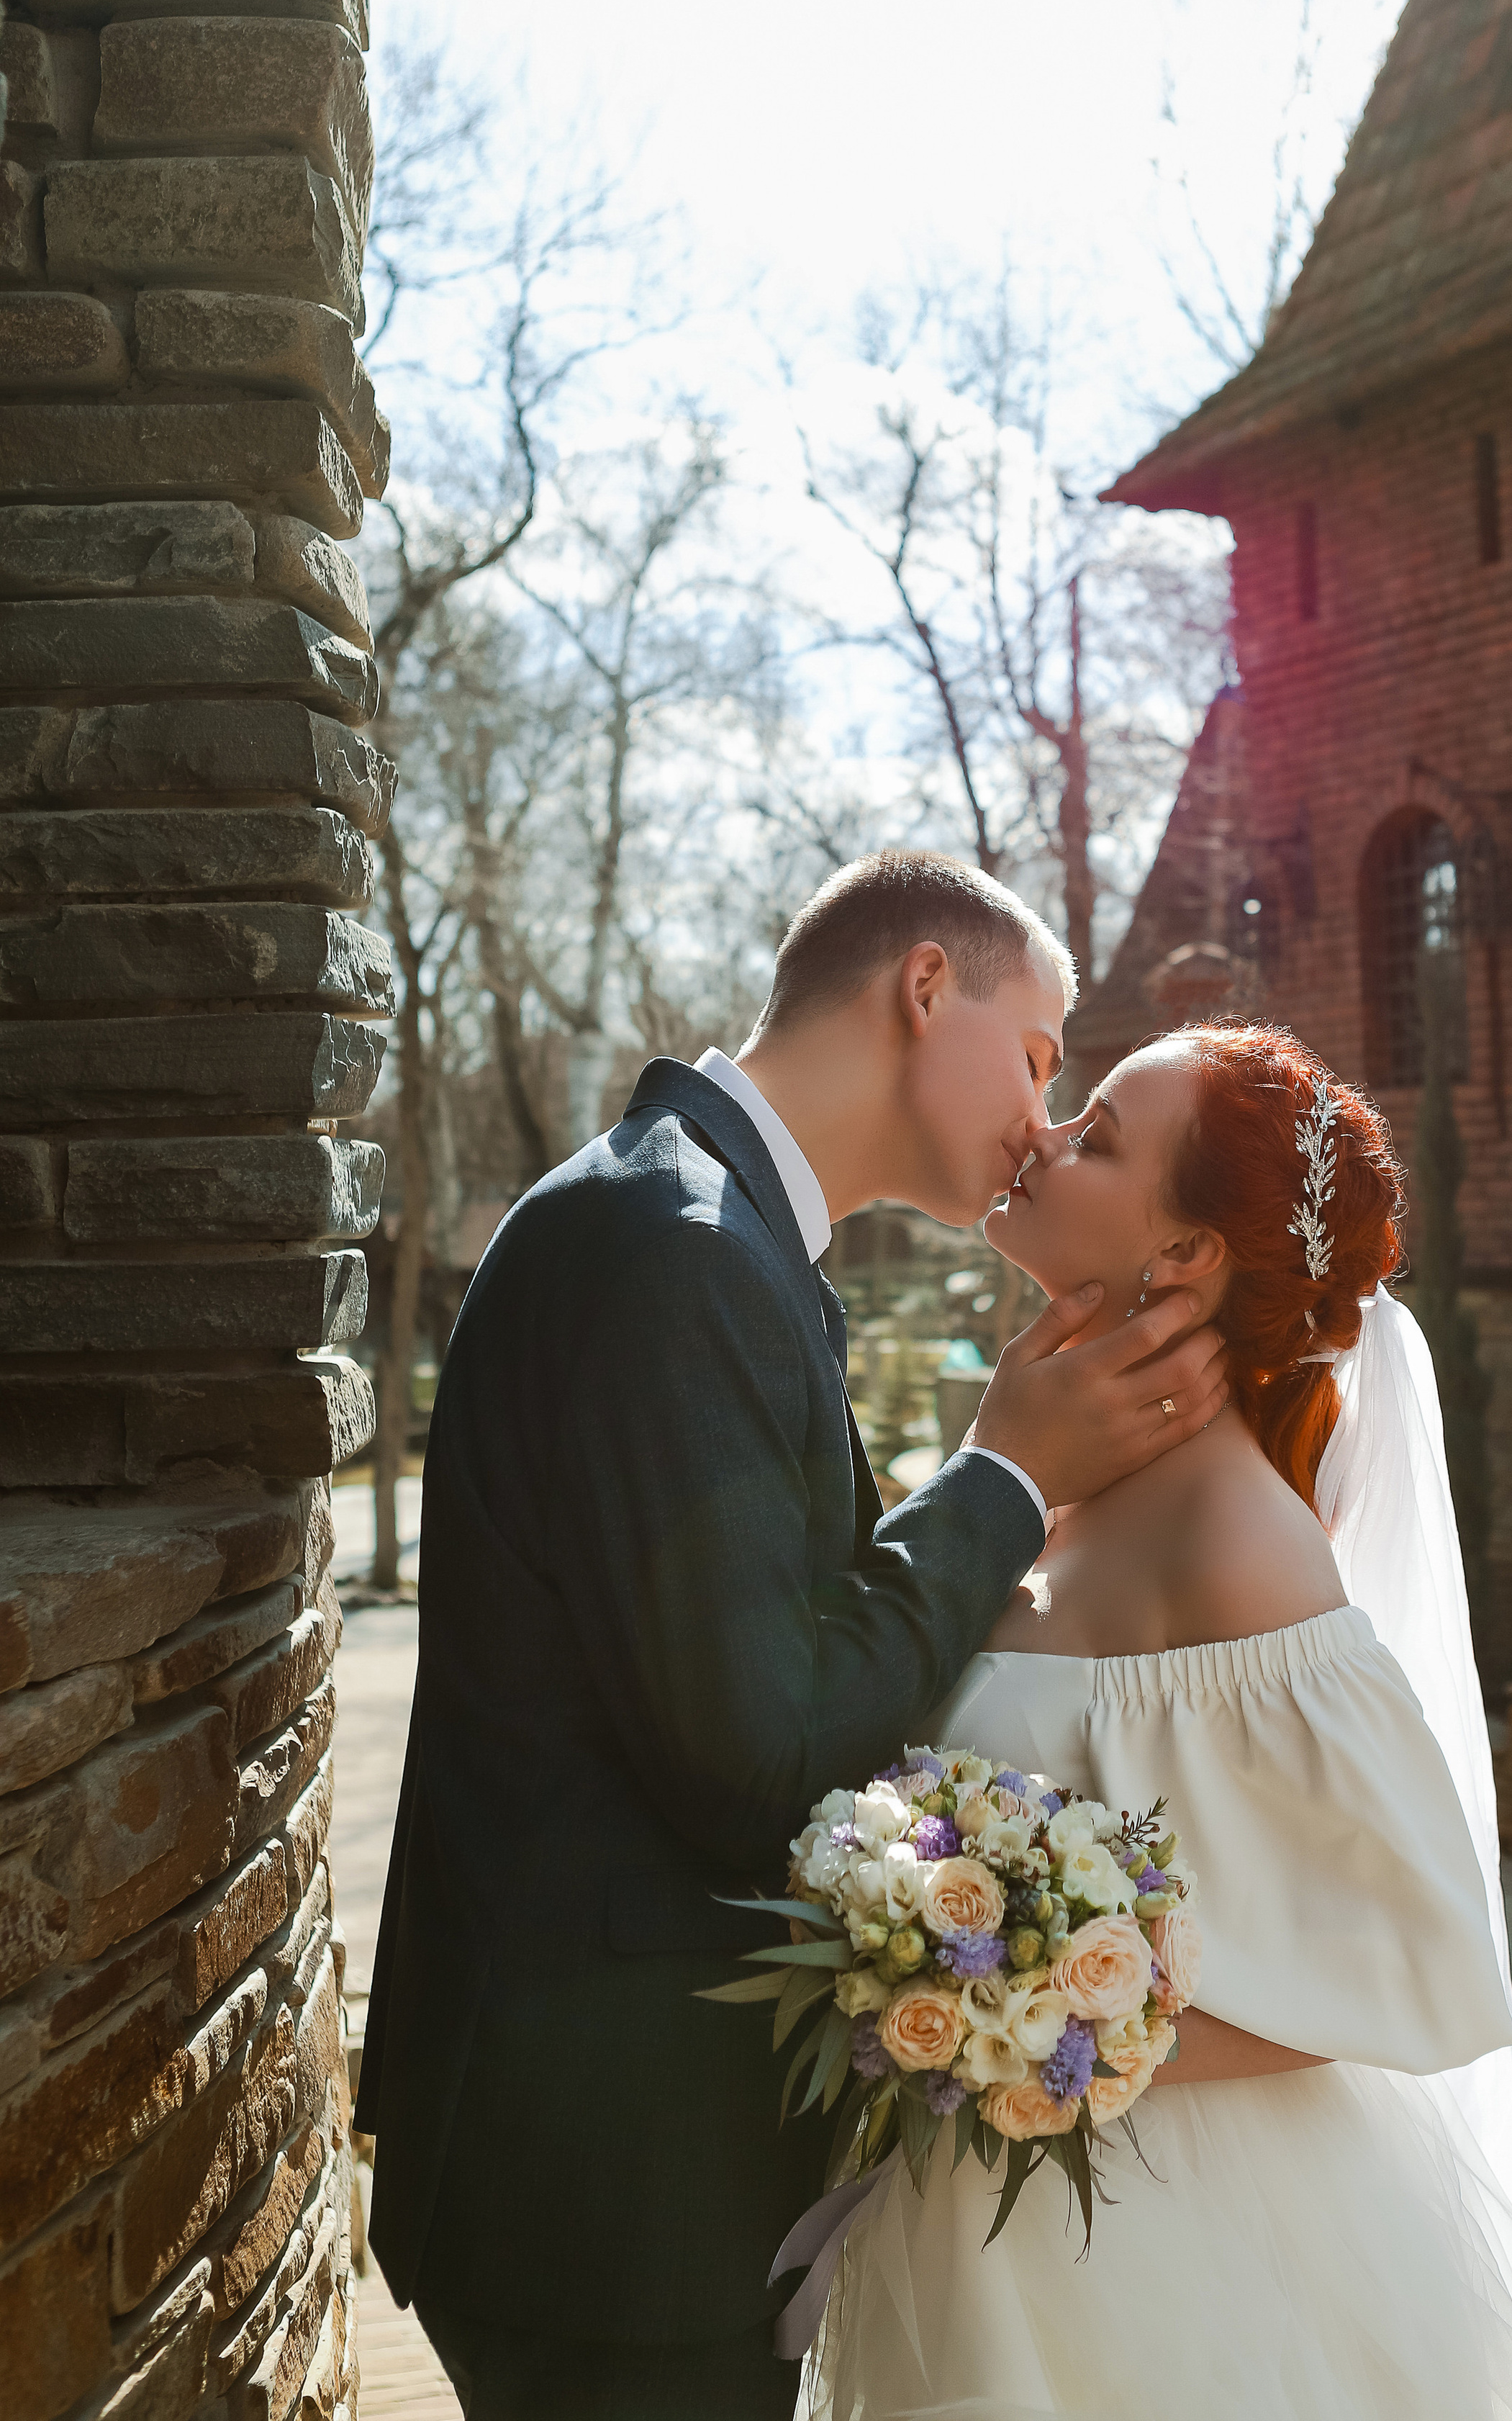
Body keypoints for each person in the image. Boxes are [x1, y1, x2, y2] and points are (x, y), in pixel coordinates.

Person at [354, 852, 1230, 2420]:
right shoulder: (673, 1248)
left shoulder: (711, 1226)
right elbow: (753, 1749)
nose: (1043, 1116)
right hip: (607, 2195)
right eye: (1037, 1055)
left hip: (627, 2171)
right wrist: (1006, 1477)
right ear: (920, 989)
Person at [807, 1023, 1512, 2421]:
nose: (1043, 1134)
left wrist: (1031, 2020)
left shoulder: (1239, 1540)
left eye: (1097, 1133)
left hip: (1165, 2259)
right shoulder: (1056, 1484)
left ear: (1183, 1260)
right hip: (975, 2231)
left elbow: (1411, 1957)